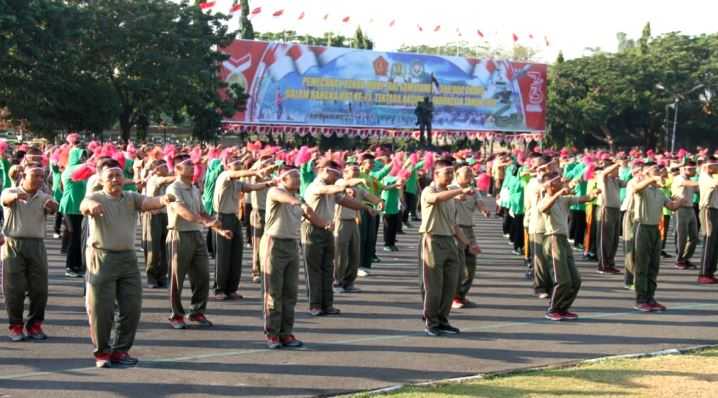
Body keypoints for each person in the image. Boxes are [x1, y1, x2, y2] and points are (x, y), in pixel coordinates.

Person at [81, 166, 173, 368]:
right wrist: (91, 207)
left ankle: (120, 351)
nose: (115, 179)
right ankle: (102, 353)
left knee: (131, 307)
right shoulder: (96, 196)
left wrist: (164, 199)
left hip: (128, 258)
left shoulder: (131, 197)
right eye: (110, 176)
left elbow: (149, 202)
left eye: (118, 176)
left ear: (124, 179)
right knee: (101, 308)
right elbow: (85, 205)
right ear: (102, 180)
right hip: (102, 257)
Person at [262, 166, 330, 349]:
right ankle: (272, 334)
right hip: (274, 244)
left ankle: (286, 333)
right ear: (283, 179)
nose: (298, 179)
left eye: (298, 176)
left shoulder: (298, 199)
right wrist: (297, 203)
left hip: (292, 244)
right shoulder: (275, 191)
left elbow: (310, 214)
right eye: (293, 176)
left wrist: (325, 224)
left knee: (290, 292)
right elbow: (287, 199)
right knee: (274, 292)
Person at [166, 154, 232, 329]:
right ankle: (176, 315)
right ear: (177, 168)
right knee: (176, 279)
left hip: (196, 235)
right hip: (179, 235)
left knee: (202, 276)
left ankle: (196, 312)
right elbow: (182, 211)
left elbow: (202, 212)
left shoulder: (195, 188)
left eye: (192, 164)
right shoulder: (174, 189)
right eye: (187, 164)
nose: (192, 167)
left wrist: (219, 229)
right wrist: (206, 222)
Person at [419, 159, 480, 336]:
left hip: (449, 241)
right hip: (433, 240)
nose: (451, 176)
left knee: (451, 284)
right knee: (434, 286)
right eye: (447, 173)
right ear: (436, 174)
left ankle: (443, 320)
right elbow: (435, 199)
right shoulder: (429, 190)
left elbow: (454, 226)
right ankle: (432, 323)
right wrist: (459, 190)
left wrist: (469, 244)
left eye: (452, 173)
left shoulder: (451, 195)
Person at [302, 159, 368, 316]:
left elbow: (344, 200)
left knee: (327, 268)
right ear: (326, 171)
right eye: (335, 174)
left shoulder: (331, 188)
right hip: (312, 229)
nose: (336, 178)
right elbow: (329, 190)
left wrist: (366, 207)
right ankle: (315, 305)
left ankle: (327, 304)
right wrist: (344, 184)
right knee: (314, 269)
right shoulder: (316, 186)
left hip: (327, 229)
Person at [2, 166, 59, 342]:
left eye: (42, 176)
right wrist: (16, 196)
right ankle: (16, 326)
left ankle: (35, 325)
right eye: (35, 175)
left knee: (39, 289)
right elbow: (5, 199)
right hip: (13, 244)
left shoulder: (44, 197)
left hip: (37, 245)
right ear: (23, 176)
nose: (39, 179)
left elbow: (53, 207)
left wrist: (53, 206)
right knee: (14, 289)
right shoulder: (11, 191)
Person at [211, 152, 276, 300]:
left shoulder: (237, 183)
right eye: (235, 164)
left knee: (236, 254)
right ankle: (220, 289)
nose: (239, 166)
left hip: (233, 218)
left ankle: (232, 289)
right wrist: (254, 171)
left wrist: (268, 183)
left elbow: (251, 187)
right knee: (223, 256)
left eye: (240, 164)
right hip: (221, 218)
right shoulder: (224, 177)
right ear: (227, 166)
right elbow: (237, 174)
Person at [540, 173, 594, 321]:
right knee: (562, 280)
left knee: (575, 281)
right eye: (557, 181)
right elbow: (543, 209)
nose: (561, 181)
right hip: (553, 240)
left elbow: (584, 198)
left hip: (563, 240)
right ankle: (552, 309)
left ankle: (563, 308)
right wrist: (558, 193)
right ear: (549, 185)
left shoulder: (564, 199)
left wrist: (594, 194)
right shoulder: (546, 199)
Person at [631, 165, 684, 311]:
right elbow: (636, 189)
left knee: (654, 265)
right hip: (642, 227)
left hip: (655, 229)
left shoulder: (660, 192)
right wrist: (651, 179)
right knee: (642, 265)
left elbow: (671, 206)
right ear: (647, 174)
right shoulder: (642, 188)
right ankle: (641, 299)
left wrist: (680, 202)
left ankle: (650, 297)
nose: (660, 174)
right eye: (656, 172)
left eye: (659, 172)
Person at [333, 164, 382, 293]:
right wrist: (360, 180)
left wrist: (379, 202)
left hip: (354, 222)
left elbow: (371, 197)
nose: (356, 171)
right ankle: (337, 282)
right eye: (353, 169)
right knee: (340, 254)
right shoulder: (340, 182)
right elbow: (346, 184)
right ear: (345, 172)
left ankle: (349, 283)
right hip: (340, 221)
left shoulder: (358, 187)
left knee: (354, 253)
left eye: (357, 169)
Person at [450, 165, 489, 309]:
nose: (469, 177)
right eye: (465, 174)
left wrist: (484, 210)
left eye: (470, 175)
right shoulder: (449, 187)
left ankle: (461, 295)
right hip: (454, 229)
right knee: (458, 265)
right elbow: (445, 198)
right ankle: (454, 296)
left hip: (468, 230)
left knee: (470, 265)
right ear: (457, 174)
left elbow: (480, 203)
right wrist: (456, 195)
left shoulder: (473, 190)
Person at [144, 159, 176, 288]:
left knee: (165, 248)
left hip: (165, 215)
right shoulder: (155, 179)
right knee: (154, 249)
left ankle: (162, 276)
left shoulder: (167, 180)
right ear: (157, 169)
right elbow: (163, 181)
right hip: (153, 216)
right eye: (164, 167)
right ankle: (151, 277)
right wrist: (179, 175)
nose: (167, 170)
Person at [59, 147, 87, 278]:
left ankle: (76, 265)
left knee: (78, 238)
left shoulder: (80, 170)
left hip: (78, 208)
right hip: (69, 207)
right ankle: (69, 266)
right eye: (81, 156)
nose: (83, 159)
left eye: (84, 156)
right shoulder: (70, 170)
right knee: (73, 237)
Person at [596, 162, 625, 274]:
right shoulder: (603, 177)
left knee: (614, 239)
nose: (618, 171)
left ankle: (610, 263)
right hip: (606, 209)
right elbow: (604, 172)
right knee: (605, 238)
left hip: (616, 209)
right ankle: (603, 265)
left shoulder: (616, 180)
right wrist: (617, 163)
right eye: (616, 169)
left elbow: (629, 183)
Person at [671, 161, 700, 270]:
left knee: (694, 237)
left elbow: (698, 189)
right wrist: (704, 181)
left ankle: (685, 258)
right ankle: (679, 260)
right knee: (681, 237)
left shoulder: (691, 180)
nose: (693, 171)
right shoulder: (679, 178)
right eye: (689, 169)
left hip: (690, 208)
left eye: (693, 169)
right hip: (680, 209)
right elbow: (691, 184)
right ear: (683, 169)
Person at [697, 161, 718, 284]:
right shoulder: (704, 177)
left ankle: (710, 272)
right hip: (707, 210)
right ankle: (703, 273)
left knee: (715, 242)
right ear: (708, 167)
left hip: (715, 210)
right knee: (709, 240)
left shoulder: (712, 177)